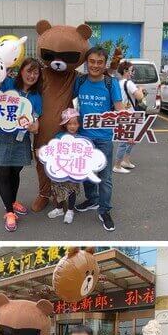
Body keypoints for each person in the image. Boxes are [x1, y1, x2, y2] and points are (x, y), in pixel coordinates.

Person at [0, 57, 43, 232]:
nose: (32, 75)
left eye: (35, 72)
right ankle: (9, 212)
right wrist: (2, 69)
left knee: (15, 173)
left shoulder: (36, 96)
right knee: (4, 174)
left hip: (20, 139)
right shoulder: (8, 84)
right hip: (1, 137)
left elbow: (36, 124)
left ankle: (12, 200)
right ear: (21, 71)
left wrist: (33, 127)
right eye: (29, 71)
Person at [73, 47, 123, 232]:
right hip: (83, 137)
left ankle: (105, 210)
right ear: (87, 63)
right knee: (86, 172)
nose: (95, 65)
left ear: (105, 64)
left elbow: (119, 109)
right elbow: (69, 101)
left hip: (104, 138)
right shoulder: (80, 81)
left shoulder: (111, 83)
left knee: (105, 177)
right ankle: (92, 199)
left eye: (99, 62)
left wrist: (131, 126)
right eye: (92, 61)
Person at [46, 108, 83, 224]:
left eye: (75, 123)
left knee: (72, 190)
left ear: (79, 124)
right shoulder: (59, 136)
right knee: (58, 189)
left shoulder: (82, 139)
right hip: (59, 169)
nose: (72, 126)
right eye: (69, 124)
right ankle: (59, 209)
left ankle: (70, 210)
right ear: (65, 125)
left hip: (73, 170)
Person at [112, 60, 146, 174]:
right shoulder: (129, 83)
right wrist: (140, 89)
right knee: (125, 140)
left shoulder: (118, 83)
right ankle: (117, 165)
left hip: (123, 113)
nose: (133, 72)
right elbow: (140, 96)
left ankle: (125, 161)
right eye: (132, 70)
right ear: (125, 71)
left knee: (132, 139)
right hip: (128, 115)